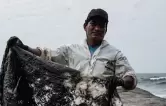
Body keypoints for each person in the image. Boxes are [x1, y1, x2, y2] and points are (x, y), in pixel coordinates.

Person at [9, 8, 137, 90]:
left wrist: (121, 81)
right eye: (93, 24)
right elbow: (47, 55)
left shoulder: (115, 54)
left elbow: (130, 77)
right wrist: (25, 48)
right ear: (85, 26)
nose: (97, 28)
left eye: (101, 25)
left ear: (105, 30)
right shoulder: (70, 50)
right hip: (75, 104)